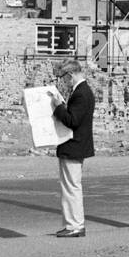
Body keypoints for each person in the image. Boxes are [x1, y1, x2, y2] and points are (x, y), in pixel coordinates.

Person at [51, 58, 95, 238]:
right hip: (77, 145)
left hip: (74, 146)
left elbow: (72, 120)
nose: (63, 81)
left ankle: (75, 225)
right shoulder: (83, 91)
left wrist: (58, 106)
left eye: (63, 78)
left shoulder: (80, 93)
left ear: (70, 75)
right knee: (71, 186)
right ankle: (72, 224)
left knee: (71, 187)